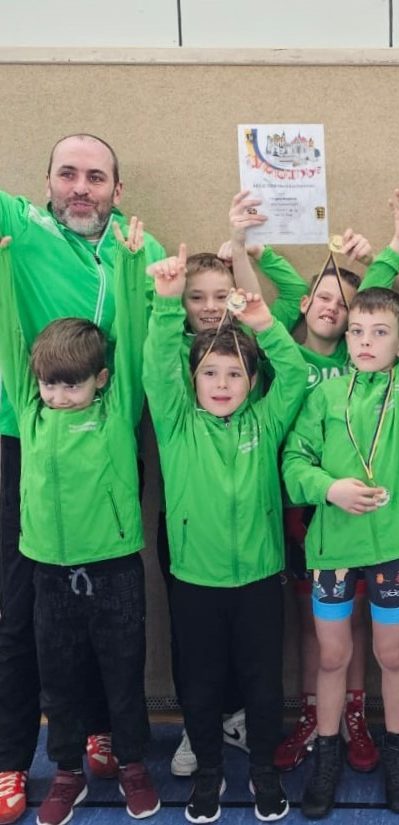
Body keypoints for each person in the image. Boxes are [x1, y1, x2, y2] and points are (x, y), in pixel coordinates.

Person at [0, 133, 165, 825]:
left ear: (116, 190)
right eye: (67, 174)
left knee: (108, 627)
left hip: (107, 444)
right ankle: (16, 759)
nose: (80, 187)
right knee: (21, 620)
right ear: (45, 181)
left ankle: (111, 740)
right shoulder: (19, 224)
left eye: (95, 177)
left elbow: (146, 341)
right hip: (25, 444)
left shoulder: (139, 249)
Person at [281, 170, 399, 819]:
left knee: (389, 652)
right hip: (333, 546)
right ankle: (325, 759)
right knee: (331, 655)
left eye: (380, 333)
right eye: (356, 331)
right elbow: (293, 462)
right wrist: (329, 487)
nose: (365, 341)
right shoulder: (325, 392)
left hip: (394, 546)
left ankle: (396, 757)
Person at [143, 252, 307, 823]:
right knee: (201, 685)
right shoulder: (176, 422)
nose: (221, 384)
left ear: (251, 382)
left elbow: (298, 374)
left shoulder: (265, 421)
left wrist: (265, 326)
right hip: (196, 582)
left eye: (235, 374)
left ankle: (263, 771)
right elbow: (157, 365)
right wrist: (168, 305)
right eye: (210, 373)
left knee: (263, 687)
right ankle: (208, 775)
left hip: (259, 580)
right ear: (192, 381)